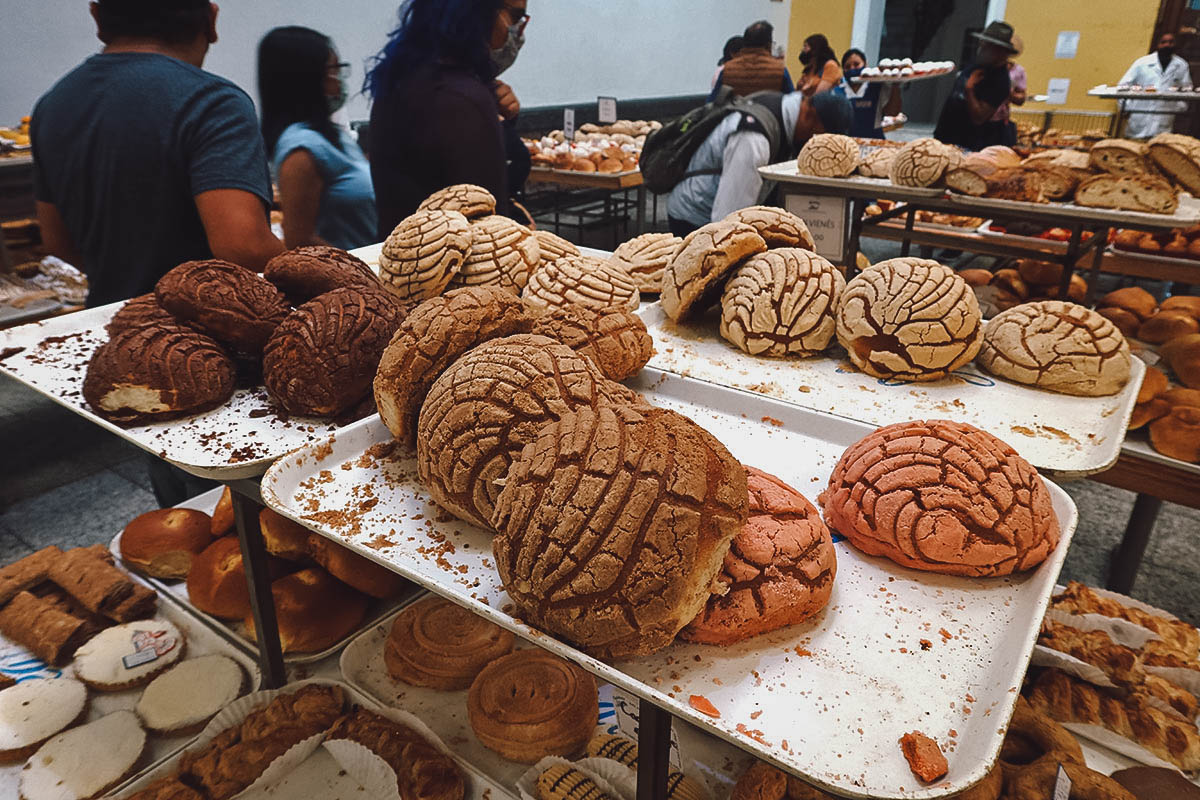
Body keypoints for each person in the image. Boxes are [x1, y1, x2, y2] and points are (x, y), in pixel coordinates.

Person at [31, 0, 282, 309]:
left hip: (112, 326)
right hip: (198, 337)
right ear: (212, 20)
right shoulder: (212, 102)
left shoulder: (52, 106)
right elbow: (244, 247)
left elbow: (58, 244)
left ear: (96, 17)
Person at [366, 0, 529, 237]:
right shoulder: (460, 99)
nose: (518, 33)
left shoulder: (404, 80)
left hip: (406, 261)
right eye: (515, 18)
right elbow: (487, 225)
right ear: (478, 11)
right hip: (453, 266)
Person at [667, 91, 853, 235]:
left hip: (708, 211)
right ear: (809, 115)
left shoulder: (782, 110)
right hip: (694, 217)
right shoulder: (754, 139)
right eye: (819, 137)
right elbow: (728, 218)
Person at [258, 26, 377, 251]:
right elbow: (300, 240)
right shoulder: (301, 149)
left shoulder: (334, 136)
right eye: (333, 70)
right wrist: (357, 270)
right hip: (350, 278)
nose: (340, 80)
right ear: (307, 79)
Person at [933, 20, 1019, 151]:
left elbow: (979, 117)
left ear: (1000, 50)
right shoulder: (978, 64)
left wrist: (969, 90)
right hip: (945, 137)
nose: (981, 46)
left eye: (987, 45)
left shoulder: (1000, 80)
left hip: (966, 145)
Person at [1119, 32, 1193, 139]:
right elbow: (1123, 85)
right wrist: (1127, 107)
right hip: (1139, 115)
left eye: (1171, 42)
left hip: (1164, 117)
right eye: (1163, 42)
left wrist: (1179, 107)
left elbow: (1187, 89)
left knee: (1159, 147)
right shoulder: (1142, 63)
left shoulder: (1181, 65)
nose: (1167, 45)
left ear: (1175, 44)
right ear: (1157, 44)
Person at [710, 21, 793, 99]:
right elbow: (792, 102)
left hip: (733, 113)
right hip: (769, 114)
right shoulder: (780, 70)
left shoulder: (727, 69)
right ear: (768, 45)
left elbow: (713, 101)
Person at [837, 48, 903, 139]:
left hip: (874, 142)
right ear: (843, 70)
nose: (852, 69)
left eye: (856, 65)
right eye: (848, 67)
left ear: (865, 65)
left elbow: (892, 112)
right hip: (846, 143)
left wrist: (895, 86)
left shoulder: (876, 86)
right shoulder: (837, 91)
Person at [987, 35, 1027, 147]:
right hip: (979, 118)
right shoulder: (985, 67)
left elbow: (1021, 99)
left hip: (1000, 121)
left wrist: (1008, 93)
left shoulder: (1018, 71)